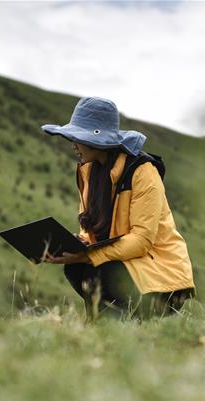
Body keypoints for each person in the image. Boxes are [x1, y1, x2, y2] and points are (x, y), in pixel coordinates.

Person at [41, 97, 195, 319]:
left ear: (96, 139)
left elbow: (142, 240)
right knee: (75, 269)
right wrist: (81, 244)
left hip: (163, 280)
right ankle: (104, 324)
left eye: (77, 138)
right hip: (126, 267)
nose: (73, 144)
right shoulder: (88, 172)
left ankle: (122, 323)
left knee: (97, 269)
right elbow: (91, 228)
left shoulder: (142, 171)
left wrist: (88, 256)